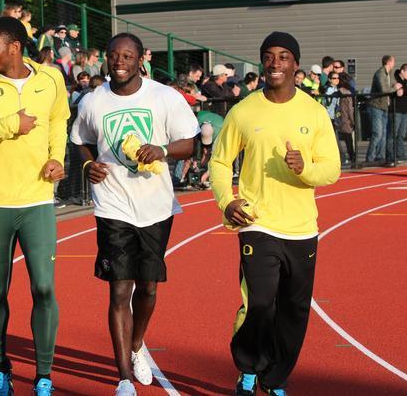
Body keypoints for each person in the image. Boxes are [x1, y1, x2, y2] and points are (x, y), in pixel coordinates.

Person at [209, 32, 341, 396]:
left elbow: (331, 169)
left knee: (294, 310)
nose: (276, 63)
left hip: (301, 229)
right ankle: (249, 369)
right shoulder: (244, 111)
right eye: (269, 57)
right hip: (258, 224)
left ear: (296, 64)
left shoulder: (313, 112)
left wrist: (304, 169)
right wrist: (228, 201)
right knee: (261, 303)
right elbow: (219, 162)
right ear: (262, 63)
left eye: (284, 57)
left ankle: (276, 378)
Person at [70, 32, 197, 396]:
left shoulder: (164, 96)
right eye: (114, 55)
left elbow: (190, 143)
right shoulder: (93, 101)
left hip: (156, 206)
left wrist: (162, 150)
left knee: (148, 288)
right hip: (113, 205)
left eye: (127, 56)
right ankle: (123, 378)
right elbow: (80, 141)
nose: (119, 61)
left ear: (141, 59)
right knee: (119, 290)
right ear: (106, 59)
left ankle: (137, 343)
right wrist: (88, 166)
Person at [0, 16, 70, 395]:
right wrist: (9, 124)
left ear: (15, 47)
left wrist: (58, 158)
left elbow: (59, 122)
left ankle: (43, 376)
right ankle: (0, 364)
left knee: (43, 288)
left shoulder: (51, 78)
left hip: (37, 200)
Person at [367, 55, 402, 164]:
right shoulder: (380, 73)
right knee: (377, 133)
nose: (394, 64)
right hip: (376, 106)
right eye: (393, 61)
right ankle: (370, 157)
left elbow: (393, 84)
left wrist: (398, 88)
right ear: (389, 62)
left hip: (384, 106)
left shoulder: (389, 74)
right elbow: (384, 89)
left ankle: (380, 156)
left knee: (383, 134)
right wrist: (395, 88)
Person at [386, 63, 407, 163]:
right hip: (396, 110)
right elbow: (399, 93)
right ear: (402, 71)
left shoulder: (405, 82)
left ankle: (401, 154)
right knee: (393, 134)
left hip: (404, 111)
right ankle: (390, 155)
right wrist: (399, 87)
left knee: (401, 135)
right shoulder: (395, 79)